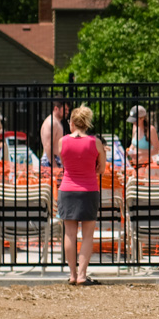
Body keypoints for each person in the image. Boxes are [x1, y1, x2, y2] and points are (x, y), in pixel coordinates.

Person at [58, 105, 106, 286]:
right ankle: (82, 275)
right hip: (89, 190)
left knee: (69, 234)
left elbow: (64, 163)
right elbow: (101, 168)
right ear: (87, 123)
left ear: (72, 123)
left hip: (67, 190)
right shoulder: (96, 143)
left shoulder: (63, 141)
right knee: (87, 235)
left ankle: (71, 274)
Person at [126, 105, 159, 170]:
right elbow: (133, 144)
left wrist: (140, 154)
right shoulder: (134, 127)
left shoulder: (150, 130)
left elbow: (156, 150)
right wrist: (129, 151)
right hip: (134, 164)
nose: (133, 122)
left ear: (142, 118)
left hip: (146, 165)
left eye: (135, 120)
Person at [40, 101, 69, 168]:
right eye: (65, 109)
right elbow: (47, 146)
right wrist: (54, 166)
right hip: (51, 162)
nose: (67, 112)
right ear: (56, 108)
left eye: (68, 109)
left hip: (54, 161)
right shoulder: (51, 123)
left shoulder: (56, 122)